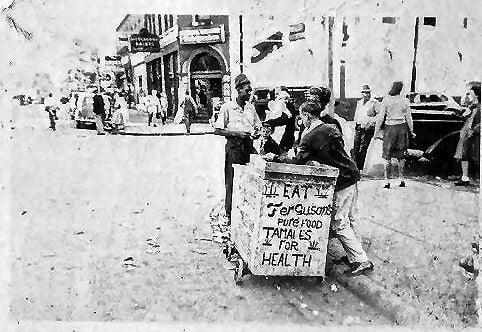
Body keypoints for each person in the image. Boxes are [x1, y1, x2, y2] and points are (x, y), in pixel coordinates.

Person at [269, 101, 374, 276]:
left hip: (341, 181)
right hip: (351, 174)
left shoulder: (310, 135)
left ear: (307, 116)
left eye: (301, 117)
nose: (300, 120)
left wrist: (276, 157)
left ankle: (361, 260)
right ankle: (355, 255)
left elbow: (297, 161)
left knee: (339, 222)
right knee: (350, 218)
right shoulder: (330, 127)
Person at [214, 73, 261, 224]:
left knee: (249, 180)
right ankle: (229, 214)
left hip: (248, 146)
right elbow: (218, 130)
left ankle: (244, 214)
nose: (249, 93)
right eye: (247, 90)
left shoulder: (251, 108)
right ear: (238, 90)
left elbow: (257, 126)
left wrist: (258, 133)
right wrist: (236, 133)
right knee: (232, 180)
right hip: (234, 147)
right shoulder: (227, 108)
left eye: (250, 90)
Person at [374, 81, 415, 188]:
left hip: (390, 129)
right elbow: (409, 118)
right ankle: (401, 179)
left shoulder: (386, 100)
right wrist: (411, 131)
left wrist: (376, 132)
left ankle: (387, 180)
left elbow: (380, 118)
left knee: (387, 155)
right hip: (402, 128)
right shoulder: (405, 101)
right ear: (401, 89)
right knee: (401, 156)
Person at [454, 81, 480, 186]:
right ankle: (465, 177)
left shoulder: (477, 107)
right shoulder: (472, 106)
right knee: (464, 155)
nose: (469, 95)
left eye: (471, 93)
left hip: (472, 132)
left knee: (469, 154)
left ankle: (466, 177)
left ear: (477, 94)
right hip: (468, 132)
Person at [352, 85, 380, 170]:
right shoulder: (359, 102)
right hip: (359, 126)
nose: (366, 94)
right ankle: (355, 167)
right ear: (362, 93)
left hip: (368, 128)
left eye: (368, 92)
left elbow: (379, 115)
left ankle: (359, 168)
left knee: (363, 148)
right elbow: (357, 114)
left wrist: (372, 122)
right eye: (364, 92)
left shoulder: (374, 102)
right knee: (356, 148)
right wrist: (355, 123)